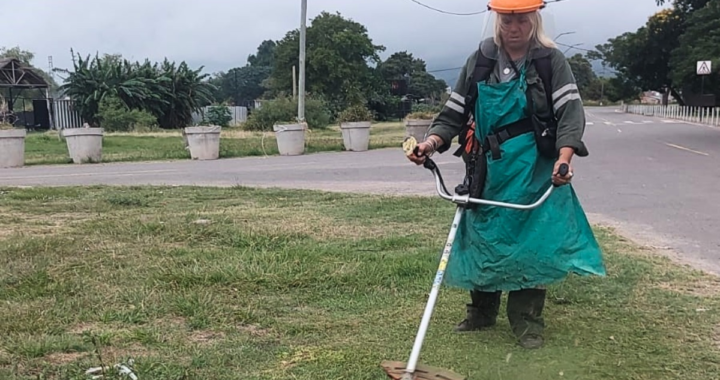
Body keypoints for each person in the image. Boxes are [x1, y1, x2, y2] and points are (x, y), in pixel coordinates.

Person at [406, 0, 606, 349]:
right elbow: (453, 112)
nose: (513, 28)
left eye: (521, 21)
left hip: (534, 168)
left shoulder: (549, 60)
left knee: (532, 243)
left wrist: (564, 158)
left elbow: (570, 113)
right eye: (507, 20)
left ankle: (528, 324)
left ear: (534, 20)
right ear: (497, 21)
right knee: (483, 237)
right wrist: (431, 143)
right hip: (488, 167)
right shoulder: (481, 60)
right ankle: (481, 313)